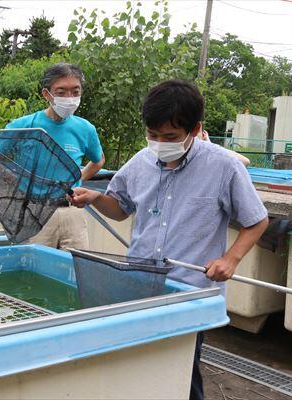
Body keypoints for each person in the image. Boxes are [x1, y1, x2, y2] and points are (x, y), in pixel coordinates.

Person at [69, 79, 268, 400]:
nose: (160, 143)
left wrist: (230, 259)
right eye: (153, 135)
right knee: (140, 368)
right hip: (137, 285)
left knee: (181, 375)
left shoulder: (225, 166)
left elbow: (257, 221)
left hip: (188, 293)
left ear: (195, 129)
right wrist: (94, 197)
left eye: (170, 137)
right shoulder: (141, 162)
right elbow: (120, 208)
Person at [0, 62, 105, 249]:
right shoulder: (25, 125)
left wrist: (76, 179)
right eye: (61, 92)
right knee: (34, 270)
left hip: (72, 212)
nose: (69, 98)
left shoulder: (85, 128)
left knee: (74, 271)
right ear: (46, 94)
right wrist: (19, 182)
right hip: (35, 211)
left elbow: (98, 160)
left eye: (75, 91)